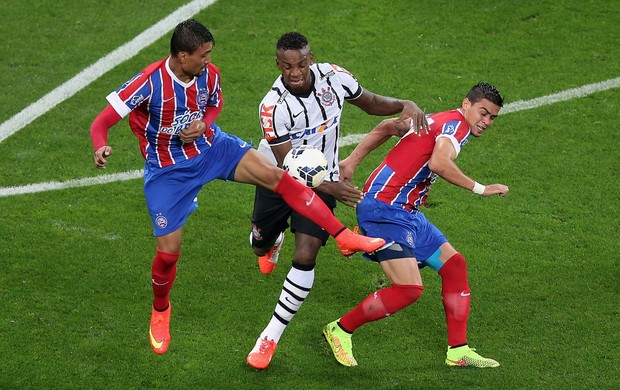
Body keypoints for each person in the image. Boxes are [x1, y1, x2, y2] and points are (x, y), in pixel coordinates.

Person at [88, 19, 386, 355]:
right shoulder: (149, 82)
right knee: (169, 254)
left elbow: (215, 104)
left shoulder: (208, 74)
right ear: (183, 56)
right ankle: (160, 310)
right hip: (168, 172)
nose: (208, 61)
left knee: (280, 178)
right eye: (203, 55)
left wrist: (205, 123)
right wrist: (101, 144)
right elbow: (102, 121)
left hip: (214, 149)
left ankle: (343, 236)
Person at [246, 31, 428, 369]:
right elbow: (289, 165)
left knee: (307, 253)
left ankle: (269, 337)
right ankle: (269, 239)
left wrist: (405, 104)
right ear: (278, 65)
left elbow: (371, 103)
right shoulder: (272, 107)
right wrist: (333, 187)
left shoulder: (335, 78)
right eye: (288, 67)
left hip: (320, 186)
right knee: (259, 244)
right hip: (276, 179)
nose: (295, 72)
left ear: (310, 59)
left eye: (301, 64)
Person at [322, 82, 508, 368]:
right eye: (483, 113)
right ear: (467, 104)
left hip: (405, 212)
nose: (486, 122)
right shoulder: (456, 128)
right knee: (409, 288)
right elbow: (439, 164)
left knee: (455, 266)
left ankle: (457, 351)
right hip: (386, 210)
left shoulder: (437, 118)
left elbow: (388, 127)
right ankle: (340, 329)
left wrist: (351, 162)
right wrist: (482, 189)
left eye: (492, 117)